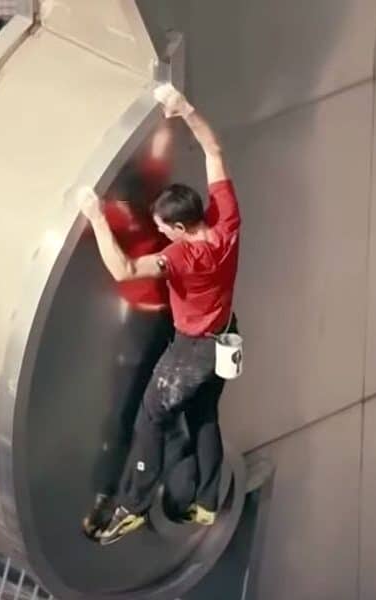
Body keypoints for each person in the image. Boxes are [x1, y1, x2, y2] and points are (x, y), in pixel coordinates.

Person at [78, 83, 242, 545]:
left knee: (151, 418)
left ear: (177, 226)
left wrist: (94, 215)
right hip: (227, 337)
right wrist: (183, 108)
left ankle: (132, 505)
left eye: (161, 227)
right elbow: (213, 148)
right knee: (206, 414)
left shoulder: (180, 259)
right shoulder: (226, 221)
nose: (159, 231)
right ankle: (207, 502)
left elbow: (124, 269)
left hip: (192, 351)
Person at [79, 125, 176, 541]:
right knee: (151, 411)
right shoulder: (145, 192)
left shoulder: (116, 212)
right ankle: (139, 492)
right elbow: (160, 145)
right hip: (167, 318)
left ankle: (112, 496)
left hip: (147, 323)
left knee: (128, 412)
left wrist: (96, 216)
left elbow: (119, 266)